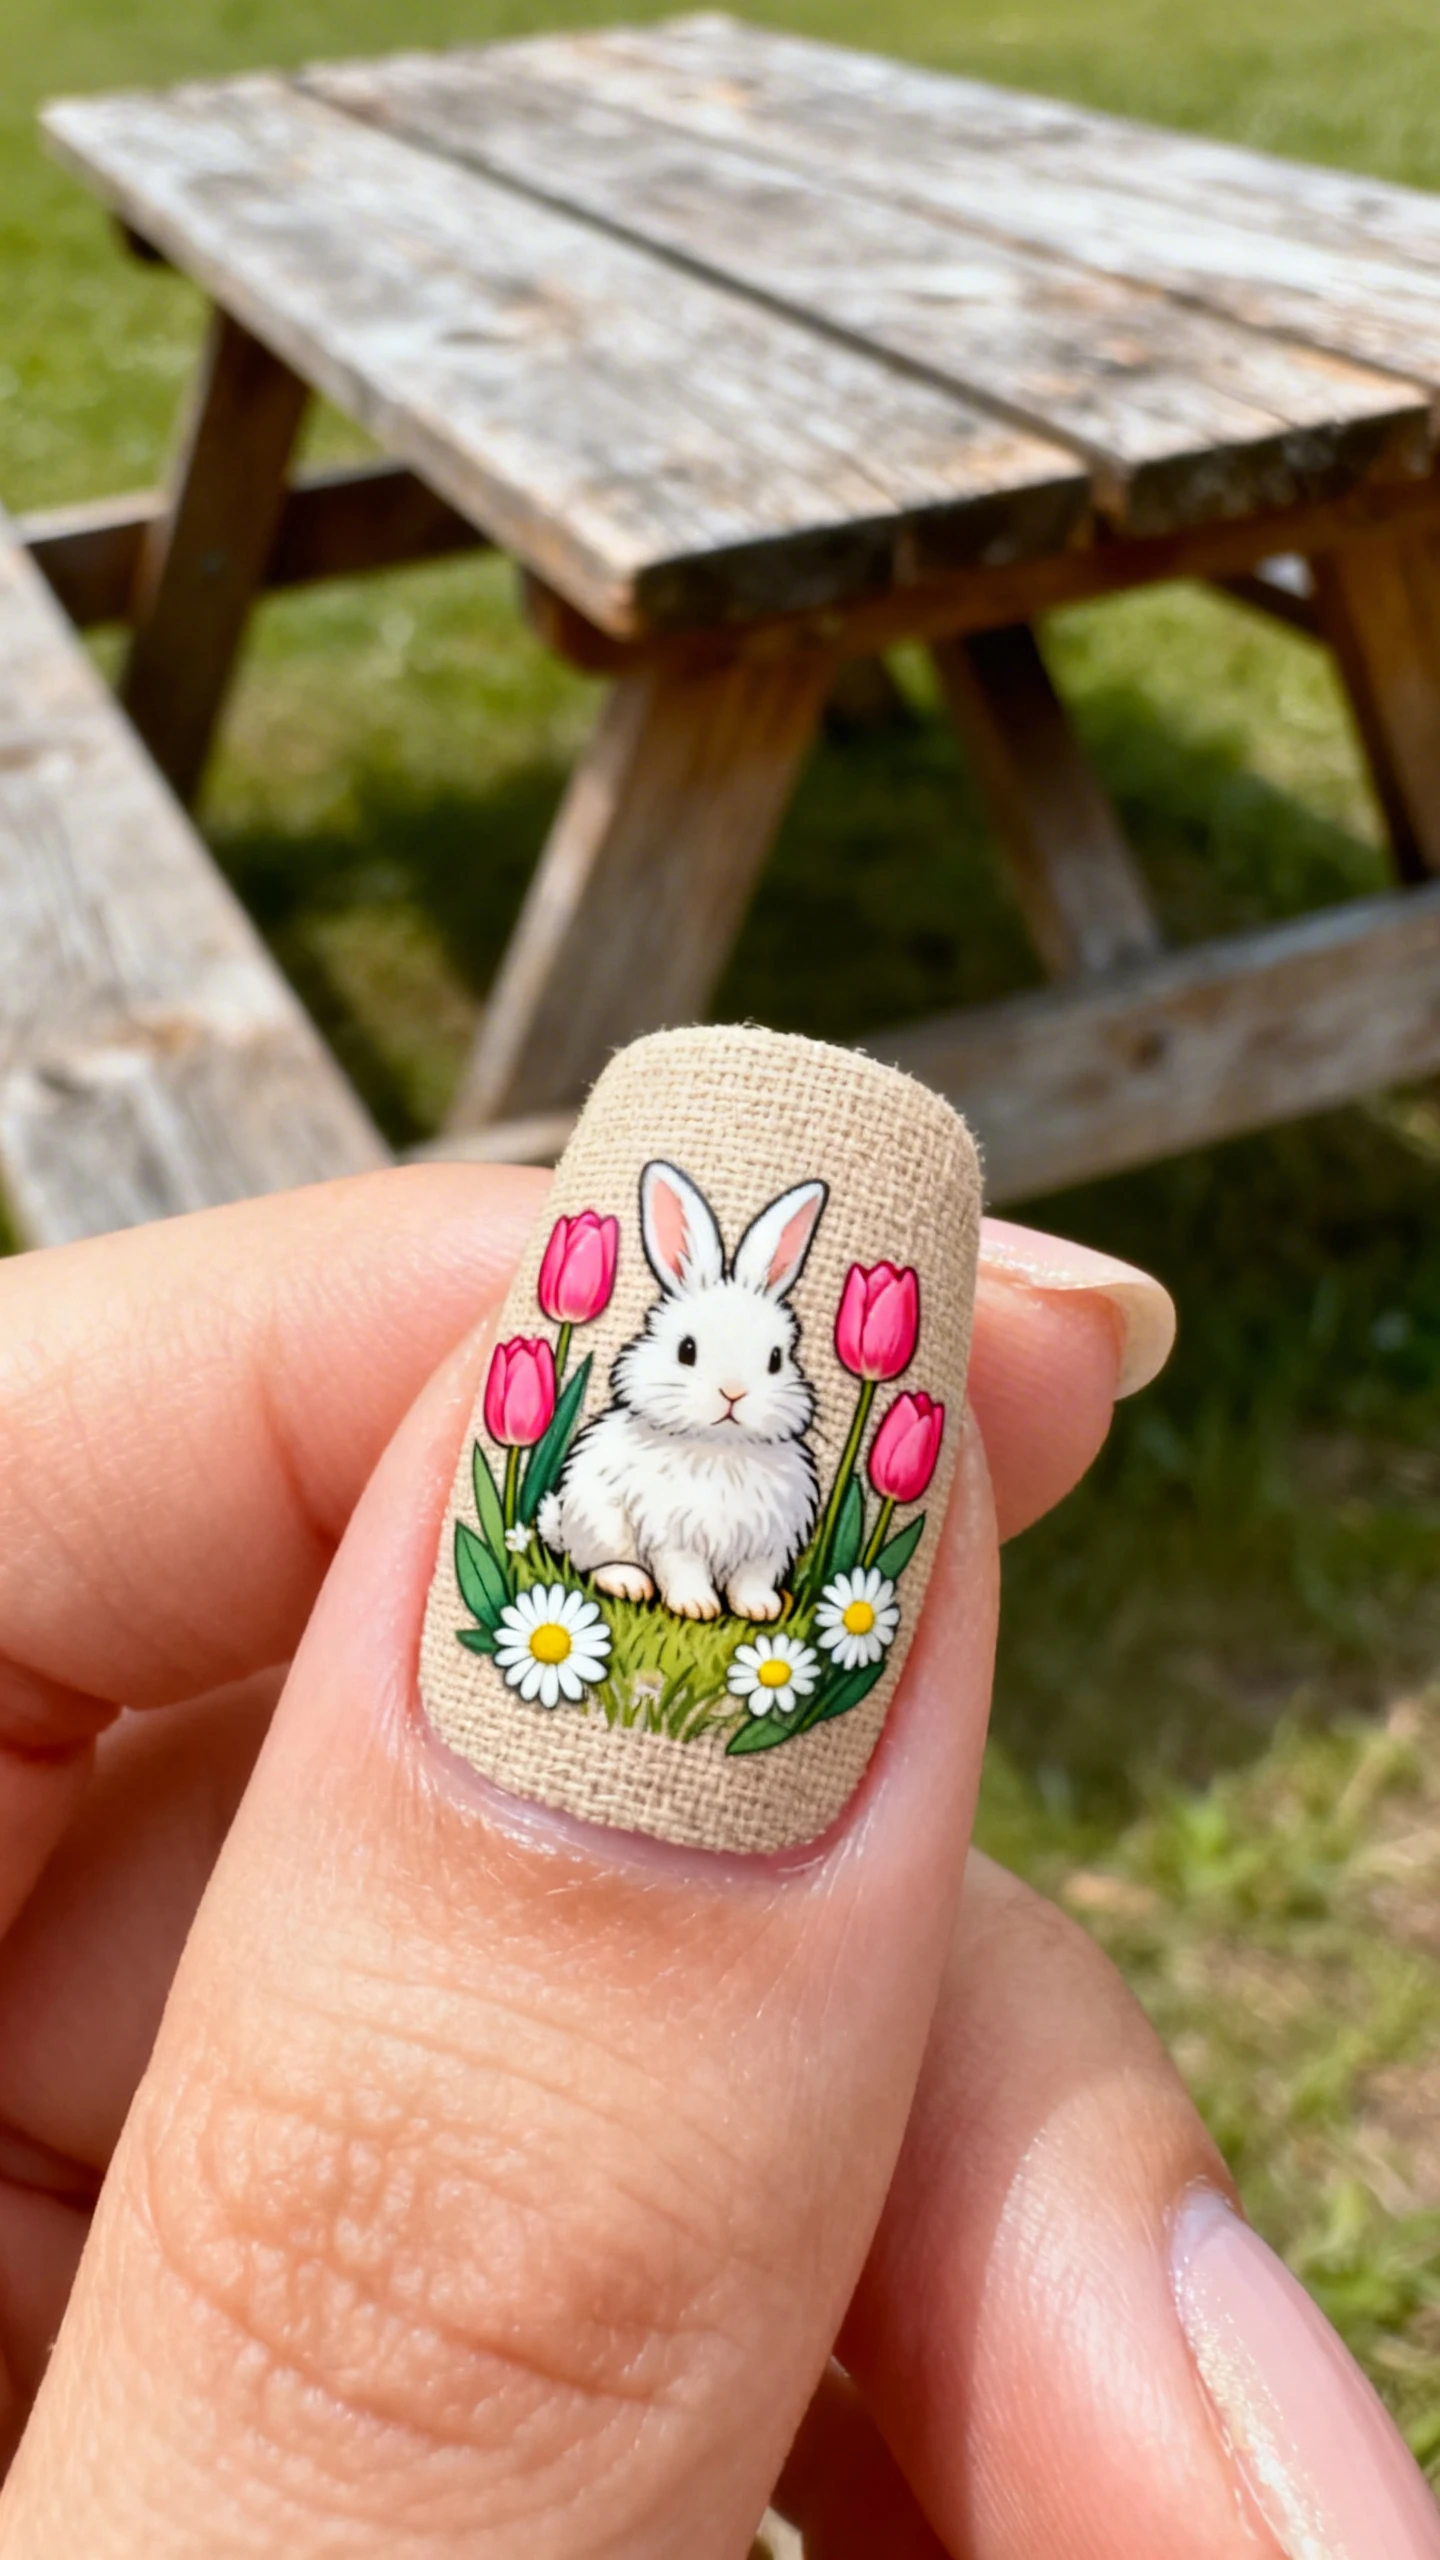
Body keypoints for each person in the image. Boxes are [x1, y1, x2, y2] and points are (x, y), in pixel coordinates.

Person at [0, 1166, 1432, 2559]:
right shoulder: (637, 1437)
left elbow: (762, 1545)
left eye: (764, 1362)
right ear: (659, 1334)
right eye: (696, 1351)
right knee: (639, 1552)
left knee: (756, 1569)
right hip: (608, 1567)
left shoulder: (780, 1449)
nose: (738, 1386)